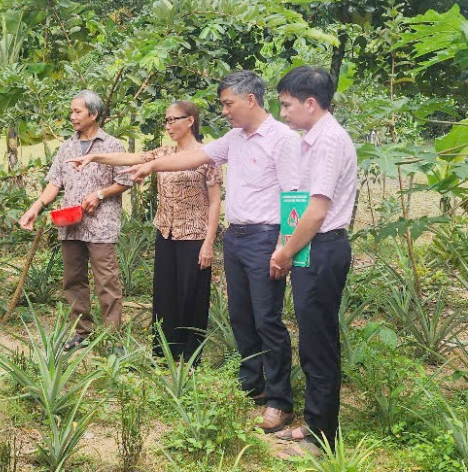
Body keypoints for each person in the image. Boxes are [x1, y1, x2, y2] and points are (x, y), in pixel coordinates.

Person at [114, 71, 302, 433]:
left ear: (250, 100)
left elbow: (294, 194)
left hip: (268, 237)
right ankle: (252, 382)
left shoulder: (283, 139)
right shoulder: (235, 138)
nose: (224, 111)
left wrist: (286, 246)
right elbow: (193, 158)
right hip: (237, 237)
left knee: (268, 319)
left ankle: (280, 400)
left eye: (228, 103)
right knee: (241, 315)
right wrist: (151, 165)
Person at [68, 100, 222, 362]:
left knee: (191, 295)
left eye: (173, 119)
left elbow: (216, 200)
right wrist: (94, 156)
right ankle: (163, 354)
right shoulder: (164, 153)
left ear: (190, 121)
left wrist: (209, 243)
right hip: (165, 232)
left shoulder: (207, 156)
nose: (168, 125)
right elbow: (132, 158)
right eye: (166, 120)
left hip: (194, 234)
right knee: (165, 293)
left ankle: (189, 356)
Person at [270, 66, 357, 458]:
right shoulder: (314, 139)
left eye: (287, 105)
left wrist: (286, 252)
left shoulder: (328, 142)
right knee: (313, 337)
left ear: (310, 103)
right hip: (313, 248)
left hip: (321, 248)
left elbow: (317, 211)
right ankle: (316, 421)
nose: (283, 113)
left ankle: (321, 439)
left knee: (319, 343)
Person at [18, 90, 132, 352]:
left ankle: (112, 339)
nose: (72, 117)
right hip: (70, 223)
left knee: (107, 281)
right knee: (73, 279)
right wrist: (35, 207)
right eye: (71, 111)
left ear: (93, 114)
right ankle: (82, 332)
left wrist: (100, 194)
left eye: (77, 111)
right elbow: (54, 183)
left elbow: (125, 181)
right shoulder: (67, 146)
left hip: (101, 225)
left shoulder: (112, 145)